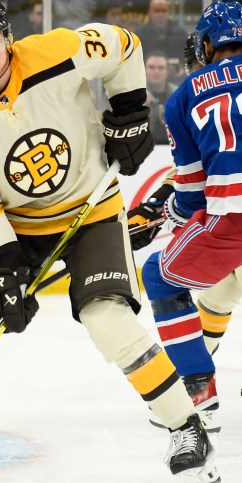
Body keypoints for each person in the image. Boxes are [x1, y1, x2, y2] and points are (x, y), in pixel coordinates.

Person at [0, 1, 219, 482]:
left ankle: (186, 426)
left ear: (8, 36)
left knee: (110, 321)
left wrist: (130, 109)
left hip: (90, 214)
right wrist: (2, 268)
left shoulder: (56, 51)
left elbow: (125, 46)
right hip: (14, 229)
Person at [133, 1, 242, 440]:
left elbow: (192, 193)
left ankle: (198, 390)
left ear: (208, 44)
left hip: (232, 217)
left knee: (160, 278)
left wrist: (167, 215)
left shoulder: (185, 94)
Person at [144, 51, 178, 145]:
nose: (156, 72)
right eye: (151, 67)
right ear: (144, 69)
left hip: (173, 150)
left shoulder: (178, 94)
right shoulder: (133, 95)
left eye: (161, 68)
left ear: (168, 71)